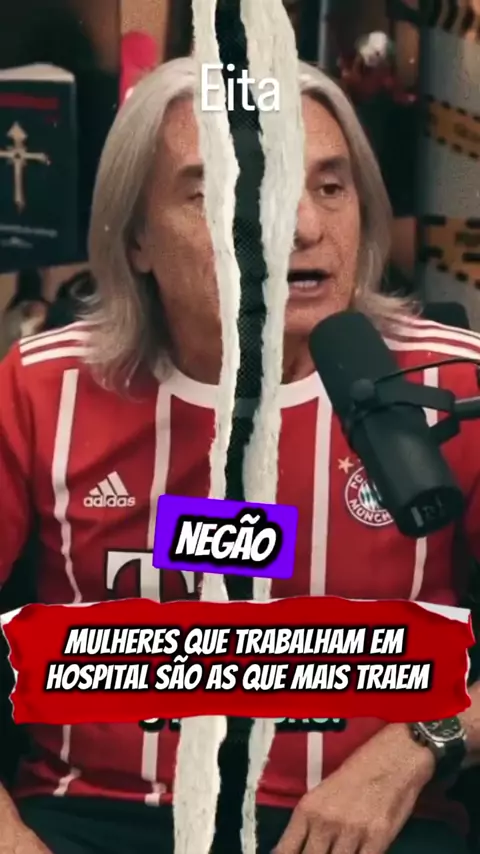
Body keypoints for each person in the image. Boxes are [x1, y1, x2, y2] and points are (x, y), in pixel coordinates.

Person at [0, 56, 480, 854]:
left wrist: (415, 749)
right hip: (97, 817)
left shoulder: (453, 386)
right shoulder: (41, 389)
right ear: (138, 237)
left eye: (330, 186)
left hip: (367, 821)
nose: (302, 226)